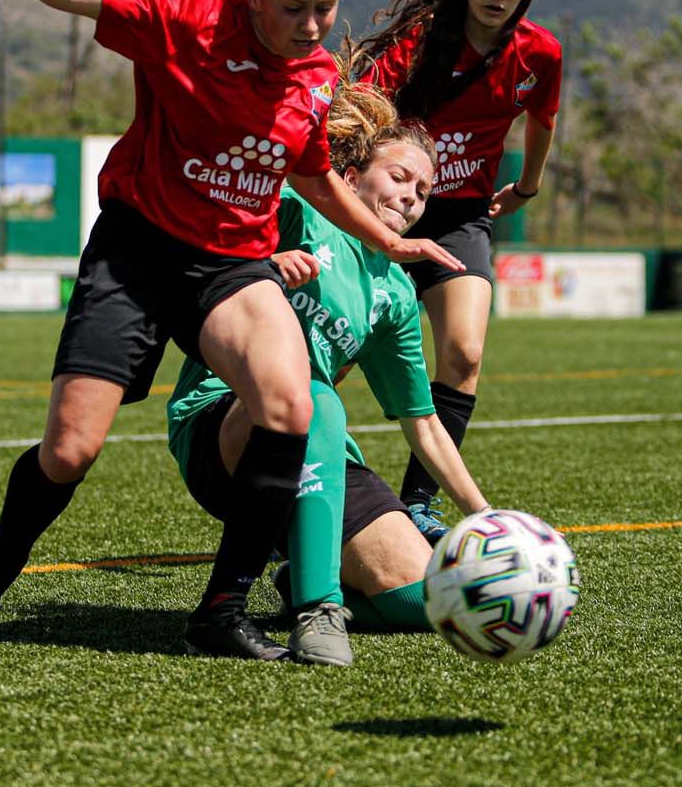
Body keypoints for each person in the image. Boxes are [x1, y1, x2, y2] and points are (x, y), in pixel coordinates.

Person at [0, 0, 463, 662]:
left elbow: (310, 172)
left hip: (230, 262)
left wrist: (385, 237)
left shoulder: (314, 77)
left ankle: (222, 608)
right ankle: (2, 559)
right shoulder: (186, 20)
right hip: (140, 248)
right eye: (294, 7)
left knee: (292, 402)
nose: (313, 26)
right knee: (70, 450)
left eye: (326, 8)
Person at [167, 82, 492, 664]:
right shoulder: (296, 211)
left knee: (426, 599)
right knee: (312, 394)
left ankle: (301, 576)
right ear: (350, 174)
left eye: (423, 191)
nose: (411, 197)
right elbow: (206, 263)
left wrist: (486, 517)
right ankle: (318, 609)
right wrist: (261, 266)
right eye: (398, 177)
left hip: (320, 451)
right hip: (225, 432)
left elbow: (424, 425)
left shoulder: (393, 292)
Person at [350, 0, 560, 540]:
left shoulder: (540, 51)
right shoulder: (415, 44)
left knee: (464, 352)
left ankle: (419, 503)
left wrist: (528, 185)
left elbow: (543, 118)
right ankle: (306, 492)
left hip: (460, 218)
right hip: (385, 212)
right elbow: (354, 121)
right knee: (327, 359)